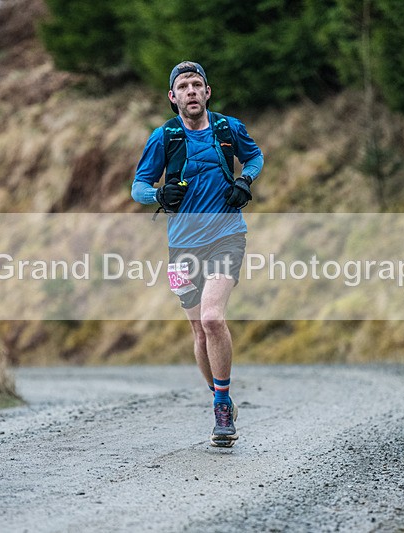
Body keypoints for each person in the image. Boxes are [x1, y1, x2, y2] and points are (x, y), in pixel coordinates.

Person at [131, 61, 264, 447]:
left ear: (207, 92)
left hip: (227, 235)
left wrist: (244, 180)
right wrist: (157, 195)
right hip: (181, 246)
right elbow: (138, 186)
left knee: (211, 319)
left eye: (197, 84)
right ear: (173, 98)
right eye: (183, 86)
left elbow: (255, 157)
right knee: (197, 330)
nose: (191, 90)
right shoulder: (164, 138)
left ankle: (222, 408)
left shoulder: (228, 129)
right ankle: (219, 395)